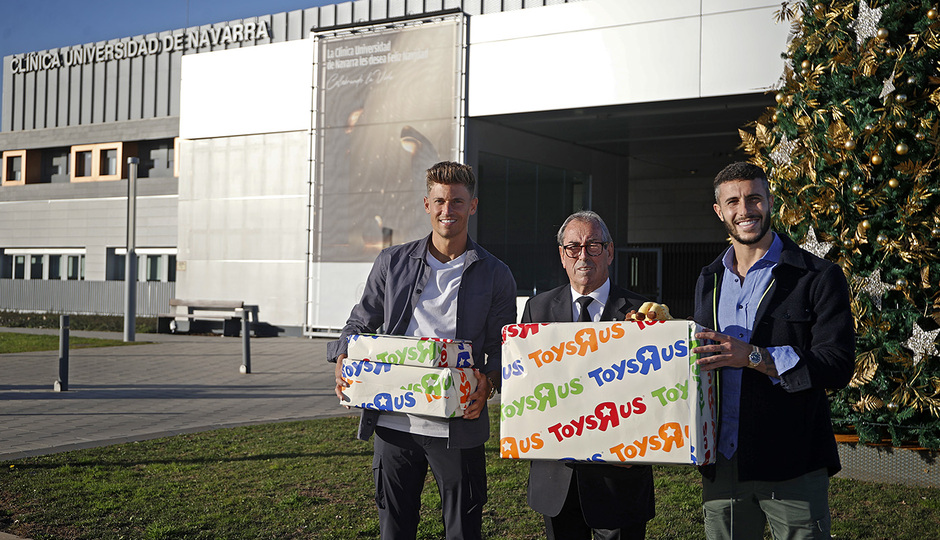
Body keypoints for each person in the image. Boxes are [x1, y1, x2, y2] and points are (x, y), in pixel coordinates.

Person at [328, 161, 517, 540]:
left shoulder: (496, 273)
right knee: (395, 530)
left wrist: (490, 382)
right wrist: (344, 355)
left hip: (458, 424)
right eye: (440, 201)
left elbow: (502, 347)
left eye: (458, 201)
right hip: (393, 422)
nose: (448, 210)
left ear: (472, 206)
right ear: (427, 204)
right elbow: (360, 322)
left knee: (463, 531)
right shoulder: (392, 262)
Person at [692, 162, 855, 539]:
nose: (744, 210)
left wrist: (754, 357)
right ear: (719, 211)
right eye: (733, 202)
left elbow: (837, 365)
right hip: (723, 464)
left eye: (754, 198)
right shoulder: (709, 278)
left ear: (769, 201)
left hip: (793, 464)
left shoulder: (817, 276)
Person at [521, 210, 655, 540]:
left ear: (609, 252)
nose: (583, 255)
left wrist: (639, 448)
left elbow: (657, 391)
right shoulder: (537, 310)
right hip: (557, 478)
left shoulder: (643, 313)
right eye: (573, 247)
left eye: (593, 245)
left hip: (620, 477)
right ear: (562, 255)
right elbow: (525, 386)